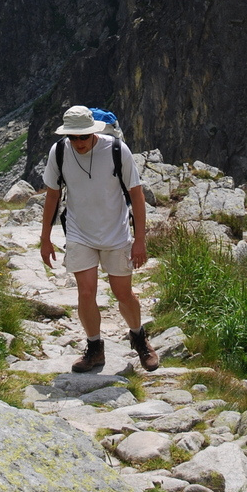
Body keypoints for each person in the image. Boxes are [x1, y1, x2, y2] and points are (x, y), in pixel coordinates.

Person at [39, 105, 159, 373]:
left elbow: (137, 195)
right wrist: (45, 238)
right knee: (85, 292)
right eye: (73, 137)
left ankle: (139, 337)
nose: (78, 142)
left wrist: (140, 240)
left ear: (93, 131)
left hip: (115, 232)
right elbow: (52, 195)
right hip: (80, 233)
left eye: (83, 136)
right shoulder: (59, 152)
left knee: (123, 293)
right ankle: (94, 349)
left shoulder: (117, 150)